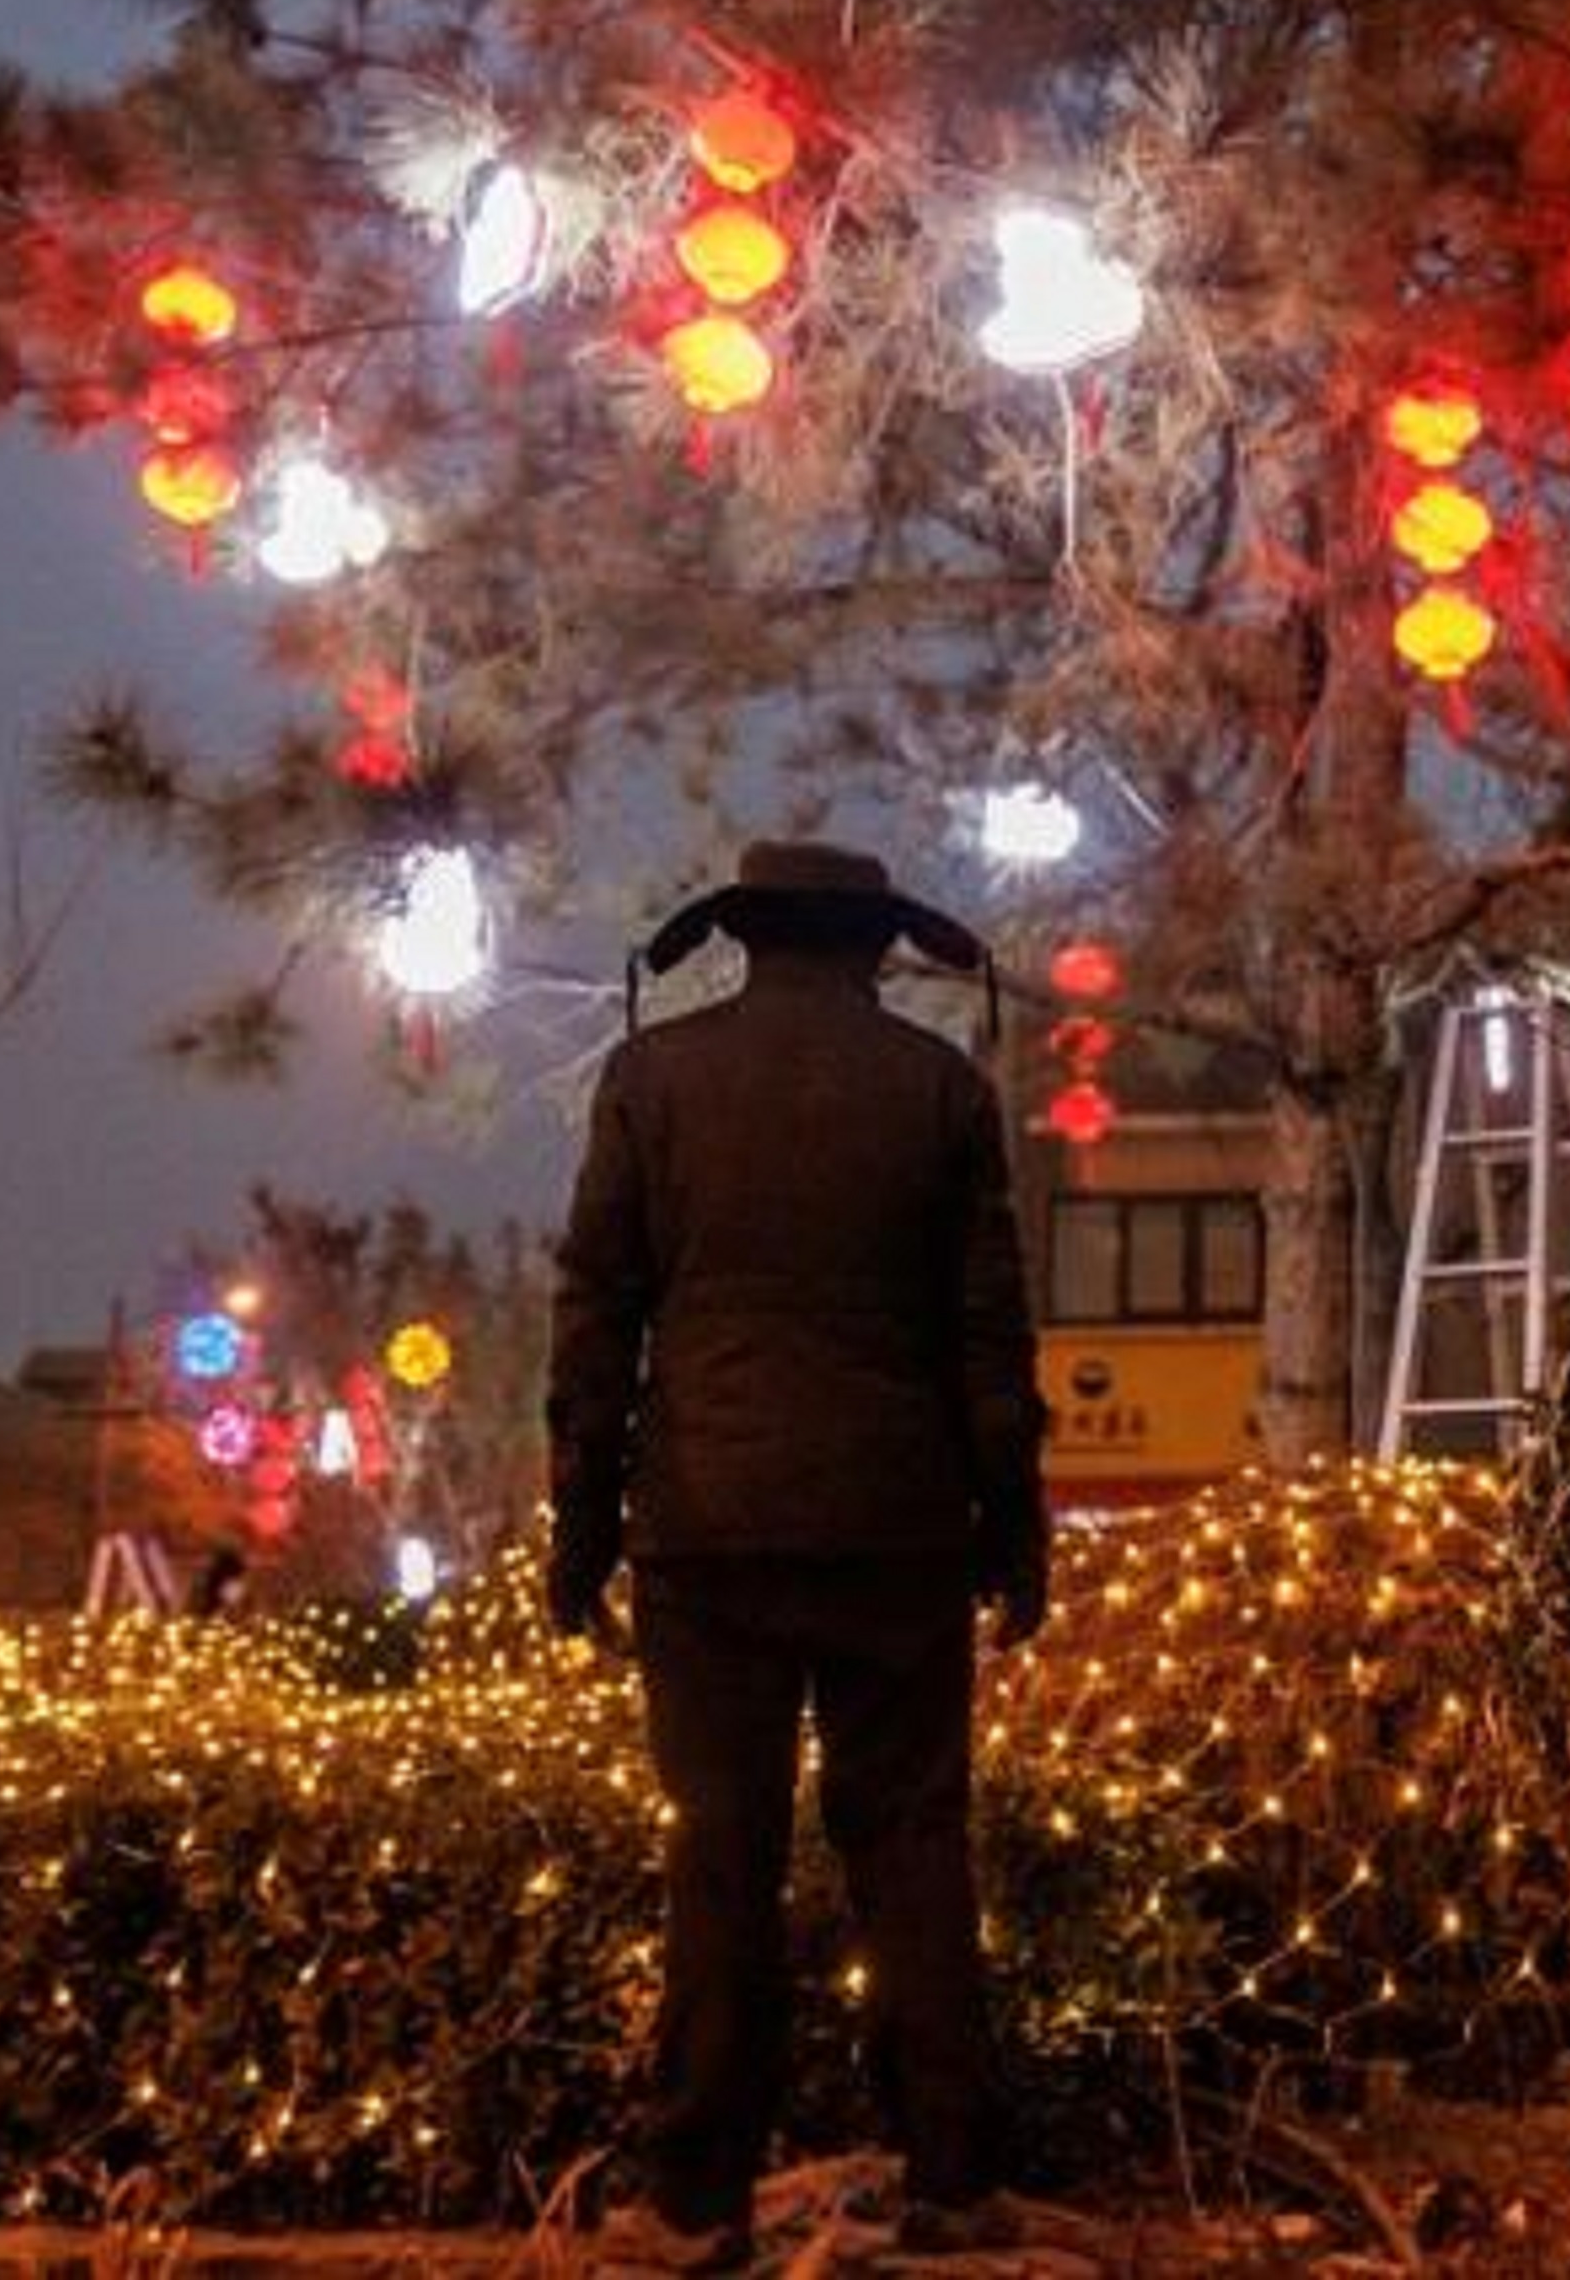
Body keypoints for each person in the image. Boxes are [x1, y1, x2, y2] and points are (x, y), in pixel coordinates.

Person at [548, 839, 1051, 2272]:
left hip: (706, 1532)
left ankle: (694, 2198)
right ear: (876, 944)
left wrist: (582, 1533)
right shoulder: (941, 1091)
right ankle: (956, 2178)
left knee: (720, 1858)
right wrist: (1016, 1534)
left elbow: (597, 1324)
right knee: (914, 1848)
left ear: (746, 938)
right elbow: (989, 1338)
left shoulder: (654, 1079)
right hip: (901, 1529)